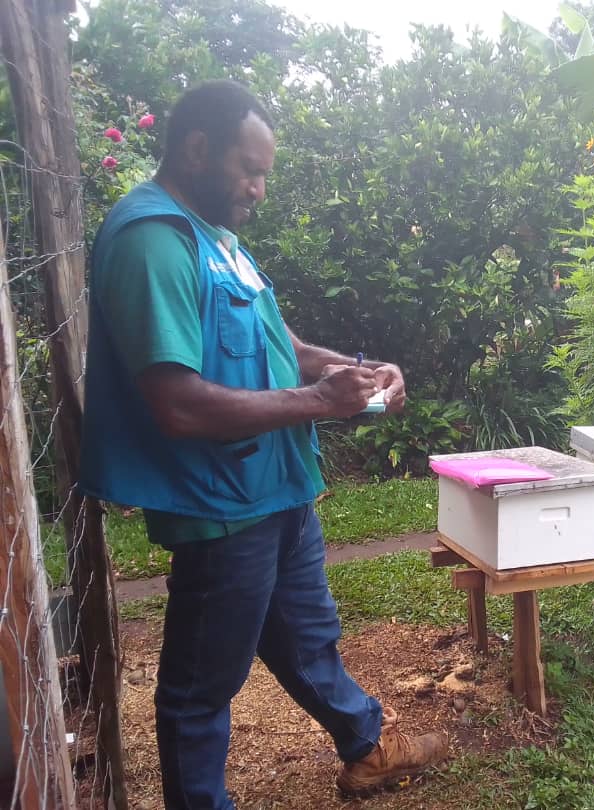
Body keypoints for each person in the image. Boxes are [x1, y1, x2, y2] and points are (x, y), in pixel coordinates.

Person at [80, 80, 449, 809]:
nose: (258, 188)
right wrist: (317, 402)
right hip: (220, 505)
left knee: (308, 637)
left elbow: (285, 346)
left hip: (275, 487)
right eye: (249, 170)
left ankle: (366, 747)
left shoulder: (220, 241)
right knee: (200, 686)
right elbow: (177, 404)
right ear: (195, 151)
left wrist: (355, 372)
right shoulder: (154, 241)